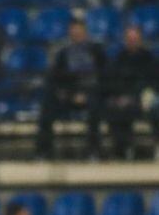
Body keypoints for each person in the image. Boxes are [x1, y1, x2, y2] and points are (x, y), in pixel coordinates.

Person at [36, 18, 106, 158]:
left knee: (95, 107)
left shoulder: (96, 51)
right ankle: (44, 151)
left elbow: (104, 76)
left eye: (79, 33)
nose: (77, 36)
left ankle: (94, 150)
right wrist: (69, 94)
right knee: (47, 105)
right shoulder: (63, 53)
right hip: (69, 95)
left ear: (85, 33)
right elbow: (56, 78)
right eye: (74, 33)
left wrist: (86, 94)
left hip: (91, 94)